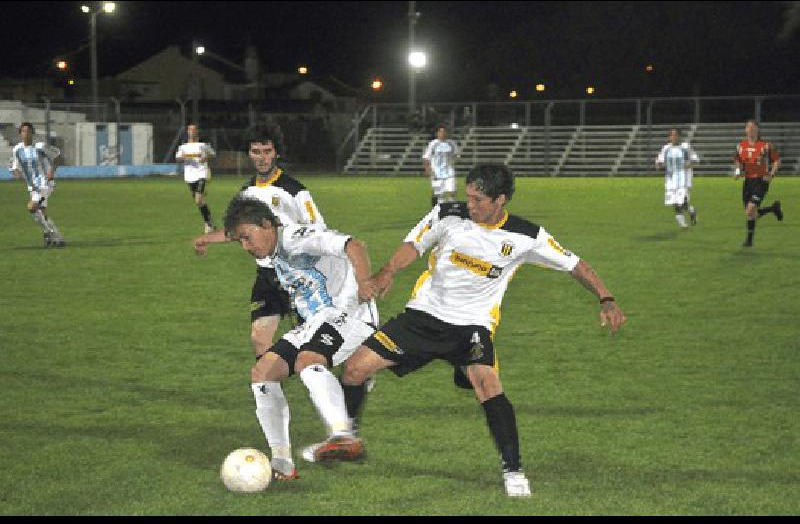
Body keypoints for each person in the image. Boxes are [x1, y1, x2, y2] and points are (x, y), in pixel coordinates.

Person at [304, 164, 627, 498]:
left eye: (478, 199)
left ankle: (513, 471)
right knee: (355, 368)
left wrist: (606, 297)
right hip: (424, 316)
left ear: (500, 200)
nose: (469, 205)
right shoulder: (447, 214)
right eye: (468, 196)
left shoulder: (526, 236)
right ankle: (347, 438)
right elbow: (413, 245)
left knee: (487, 385)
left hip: (472, 326)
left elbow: (576, 265)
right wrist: (387, 271)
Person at [193, 128, 328, 479]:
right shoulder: (247, 192)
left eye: (266, 151)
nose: (261, 157)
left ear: (275, 153)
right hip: (268, 277)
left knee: (320, 347)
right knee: (259, 341)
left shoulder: (295, 190)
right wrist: (209, 238)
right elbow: (237, 228)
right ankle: (273, 395)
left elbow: (319, 229)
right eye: (255, 151)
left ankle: (335, 390)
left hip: (298, 275)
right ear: (249, 154)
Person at [223, 194, 379, 481]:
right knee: (263, 372)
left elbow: (354, 245)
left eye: (247, 237)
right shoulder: (271, 257)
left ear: (267, 224)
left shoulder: (296, 237)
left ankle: (343, 435)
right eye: (240, 241)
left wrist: (365, 282)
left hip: (348, 315)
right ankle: (282, 462)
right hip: (316, 322)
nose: (246, 247)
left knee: (308, 361)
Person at [9, 122, 65, 247]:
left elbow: (58, 156)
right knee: (40, 214)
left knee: (32, 207)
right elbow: (15, 168)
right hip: (33, 188)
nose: (26, 134)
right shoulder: (17, 149)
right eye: (23, 131)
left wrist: (51, 171)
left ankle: (48, 233)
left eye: (28, 131)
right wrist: (16, 173)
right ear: (20, 133)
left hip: (46, 184)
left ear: (32, 133)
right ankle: (58, 238)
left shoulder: (40, 146)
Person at [734, 120, 783, 247]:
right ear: (745, 130)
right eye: (748, 127)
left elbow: (777, 161)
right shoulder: (741, 146)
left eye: (753, 127)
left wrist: (771, 174)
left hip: (761, 181)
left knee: (750, 210)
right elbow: (737, 160)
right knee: (751, 213)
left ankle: (749, 241)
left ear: (757, 129)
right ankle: (773, 208)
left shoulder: (766, 146)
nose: (751, 129)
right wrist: (738, 171)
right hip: (748, 181)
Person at [176, 124, 217, 234]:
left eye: (194, 130)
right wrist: (183, 157)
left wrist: (206, 157)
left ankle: (208, 224)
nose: (192, 132)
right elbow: (178, 158)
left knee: (199, 199)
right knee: (199, 201)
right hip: (189, 177)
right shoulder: (183, 147)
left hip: (201, 175)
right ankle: (209, 222)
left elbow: (213, 154)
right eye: (190, 129)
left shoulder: (203, 145)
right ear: (188, 132)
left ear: (197, 131)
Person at [656, 128, 699, 228]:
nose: (674, 137)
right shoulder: (666, 148)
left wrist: (689, 164)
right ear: (669, 137)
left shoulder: (685, 147)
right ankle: (684, 222)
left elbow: (695, 159)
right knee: (674, 201)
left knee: (682, 201)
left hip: (684, 179)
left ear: (679, 136)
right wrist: (659, 165)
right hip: (671, 179)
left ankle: (690, 212)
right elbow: (659, 161)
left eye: (676, 135)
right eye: (672, 135)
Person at [422, 124, 459, 207]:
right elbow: (426, 158)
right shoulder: (433, 144)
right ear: (437, 133)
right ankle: (439, 210)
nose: (442, 133)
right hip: (436, 173)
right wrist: (428, 170)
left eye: (444, 132)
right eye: (440, 132)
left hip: (449, 172)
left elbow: (456, 154)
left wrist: (452, 161)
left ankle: (452, 210)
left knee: (452, 191)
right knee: (440, 194)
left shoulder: (451, 143)